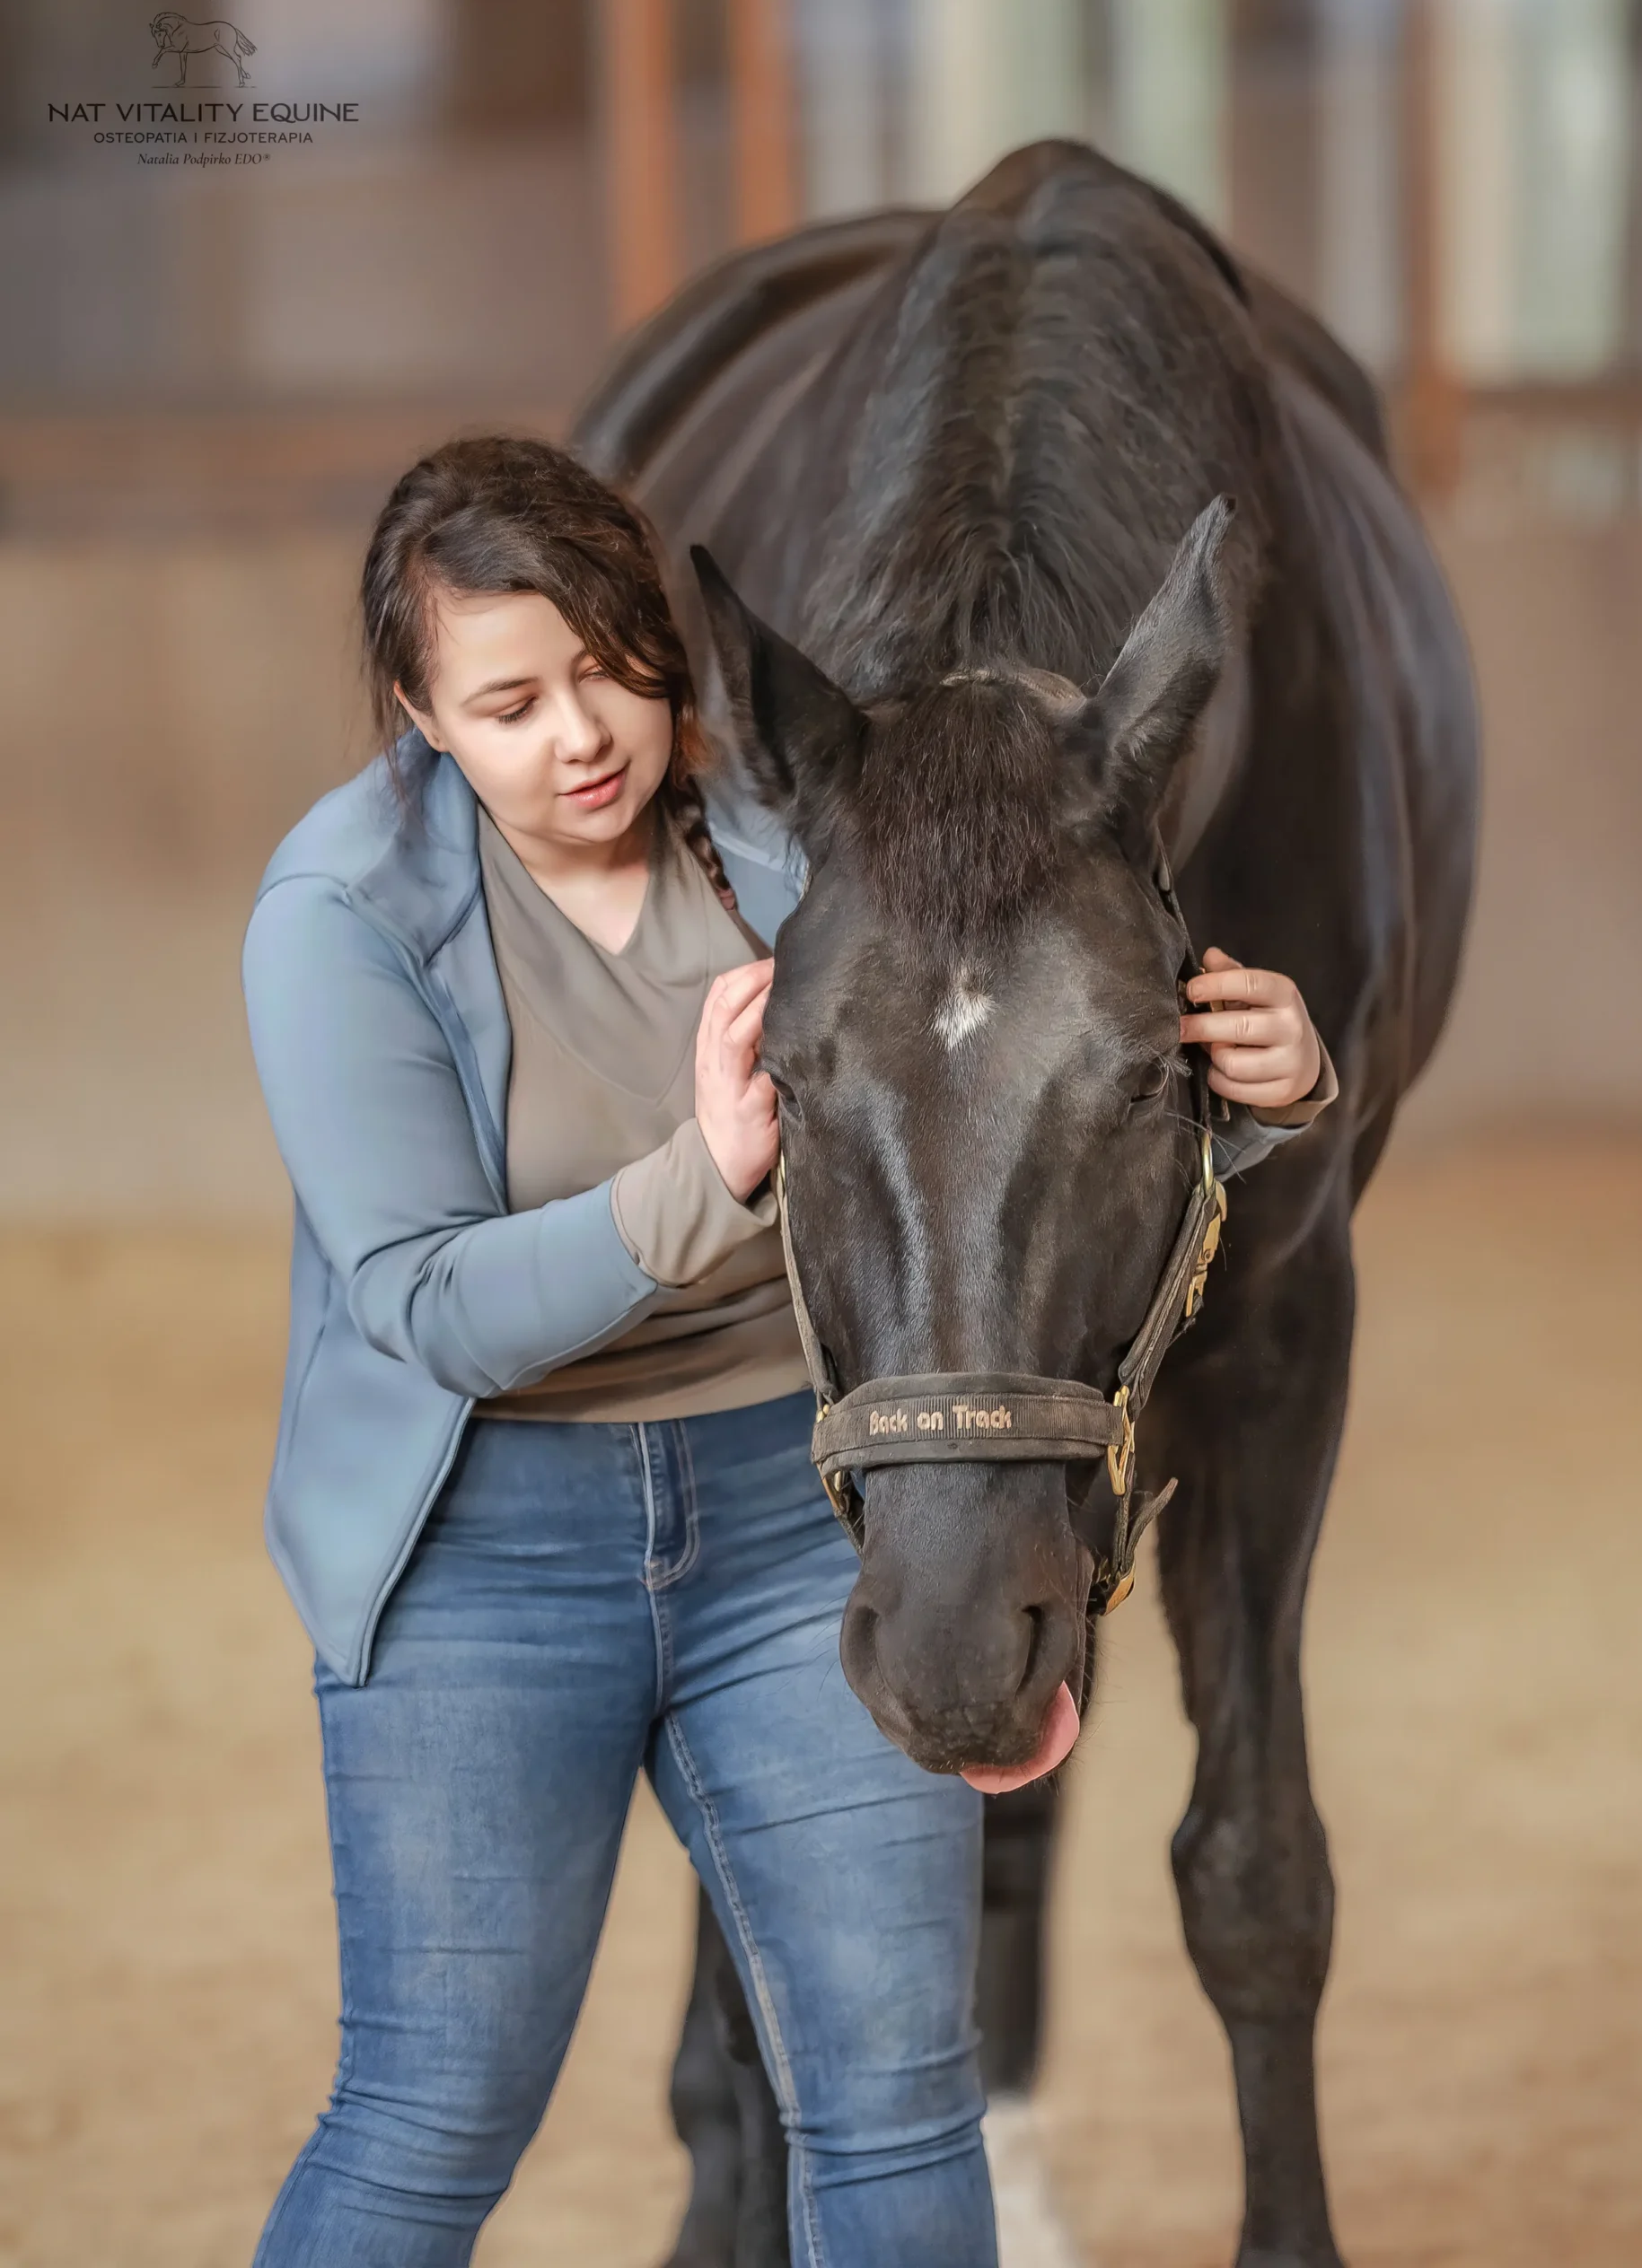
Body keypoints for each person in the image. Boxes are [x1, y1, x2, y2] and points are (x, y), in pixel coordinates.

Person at [241, 434, 1335, 2267]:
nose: (579, 731)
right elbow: (420, 1306)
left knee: (898, 2105)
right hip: (484, 1550)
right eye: (507, 700)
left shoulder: (790, 835)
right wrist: (707, 1177)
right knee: (431, 2111)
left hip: (775, 1498)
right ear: (424, 718)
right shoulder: (339, 918)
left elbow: (994, 1107)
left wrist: (1273, 1101)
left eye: (611, 665)